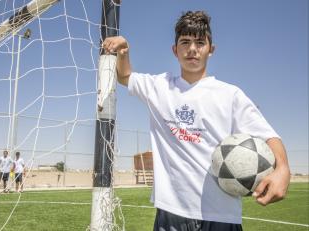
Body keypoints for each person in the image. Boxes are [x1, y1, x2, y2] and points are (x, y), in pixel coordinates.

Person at [102, 11, 291, 231]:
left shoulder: (230, 95)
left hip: (222, 215)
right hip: (172, 213)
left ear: (211, 49)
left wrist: (283, 169)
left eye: (200, 42)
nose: (192, 49)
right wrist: (123, 51)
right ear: (175, 50)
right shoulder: (159, 87)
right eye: (185, 42)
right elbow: (125, 76)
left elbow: (269, 135)